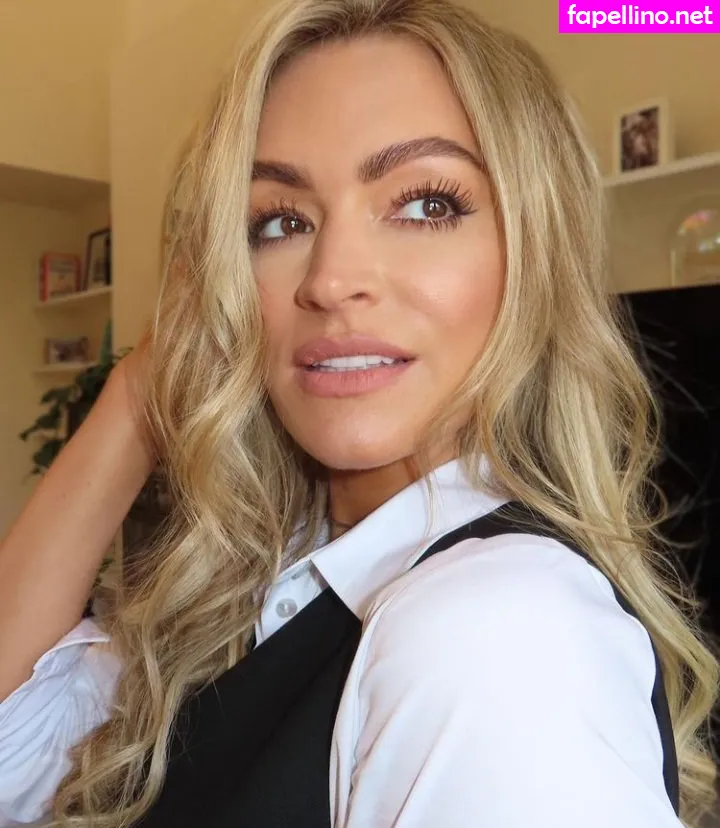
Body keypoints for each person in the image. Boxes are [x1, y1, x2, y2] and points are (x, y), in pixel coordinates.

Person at [0, 0, 718, 826]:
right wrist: (151, 374)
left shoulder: (495, 628)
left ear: (535, 255)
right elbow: (18, 756)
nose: (330, 279)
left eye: (426, 205)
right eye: (279, 221)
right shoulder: (285, 573)